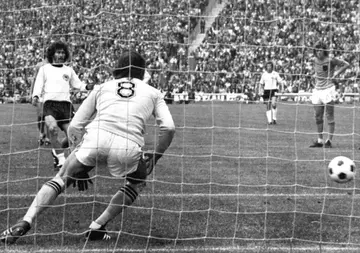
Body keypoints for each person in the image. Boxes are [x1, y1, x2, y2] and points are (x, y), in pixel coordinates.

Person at [0, 50, 175, 244]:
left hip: (95, 140)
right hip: (128, 147)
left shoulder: (102, 87)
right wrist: (155, 157)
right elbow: (169, 128)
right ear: (142, 71)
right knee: (137, 182)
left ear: (117, 68)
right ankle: (98, 226)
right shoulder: (153, 92)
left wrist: (78, 157)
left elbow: (75, 126)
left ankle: (25, 220)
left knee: (61, 178)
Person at [31, 41, 93, 170]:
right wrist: (35, 96)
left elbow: (78, 85)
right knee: (52, 128)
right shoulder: (44, 69)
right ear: (53, 54)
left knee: (73, 135)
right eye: (58, 52)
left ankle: (71, 158)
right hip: (50, 105)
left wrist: (88, 87)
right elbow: (38, 84)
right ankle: (60, 159)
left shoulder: (68, 70)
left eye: (63, 52)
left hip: (66, 106)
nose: (60, 55)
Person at [309, 41, 350, 148]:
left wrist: (336, 73)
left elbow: (346, 64)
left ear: (324, 51)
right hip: (317, 90)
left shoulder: (330, 60)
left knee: (329, 115)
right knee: (318, 116)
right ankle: (319, 140)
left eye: (321, 51)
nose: (319, 53)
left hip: (328, 89)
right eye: (317, 50)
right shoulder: (314, 60)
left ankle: (329, 141)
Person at [30, 58, 51, 146]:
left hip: (50, 93)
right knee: (40, 116)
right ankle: (42, 134)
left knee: (49, 116)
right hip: (40, 93)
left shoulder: (55, 64)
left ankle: (48, 138)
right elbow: (34, 80)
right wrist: (31, 93)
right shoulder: (39, 65)